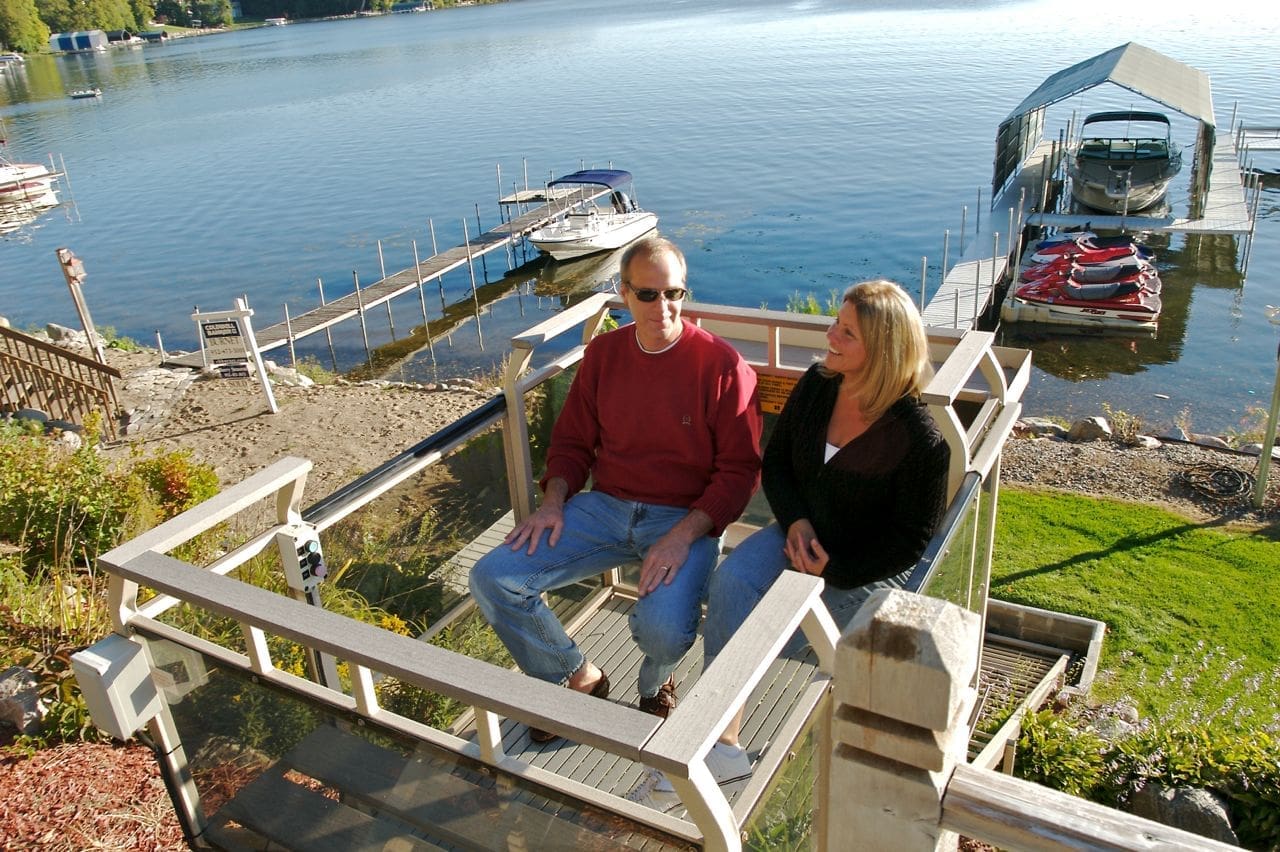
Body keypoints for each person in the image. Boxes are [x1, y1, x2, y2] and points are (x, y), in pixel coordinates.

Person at [649, 279, 951, 796]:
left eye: (847, 331)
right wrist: (795, 524)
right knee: (733, 583)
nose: (830, 334)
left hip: (866, 565)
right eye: (836, 322)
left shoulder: (922, 442)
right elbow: (779, 464)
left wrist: (832, 570)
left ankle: (816, 757)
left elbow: (908, 542)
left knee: (782, 630)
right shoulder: (817, 385)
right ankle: (722, 742)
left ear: (881, 350)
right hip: (799, 534)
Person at [468, 236, 763, 742]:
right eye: (647, 294)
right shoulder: (604, 354)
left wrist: (686, 533)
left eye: (674, 293)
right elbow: (572, 443)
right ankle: (575, 677)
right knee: (494, 577)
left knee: (664, 630)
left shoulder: (721, 366)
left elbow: (739, 471)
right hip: (605, 508)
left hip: (682, 520)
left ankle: (654, 683)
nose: (662, 307)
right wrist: (554, 502)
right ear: (624, 293)